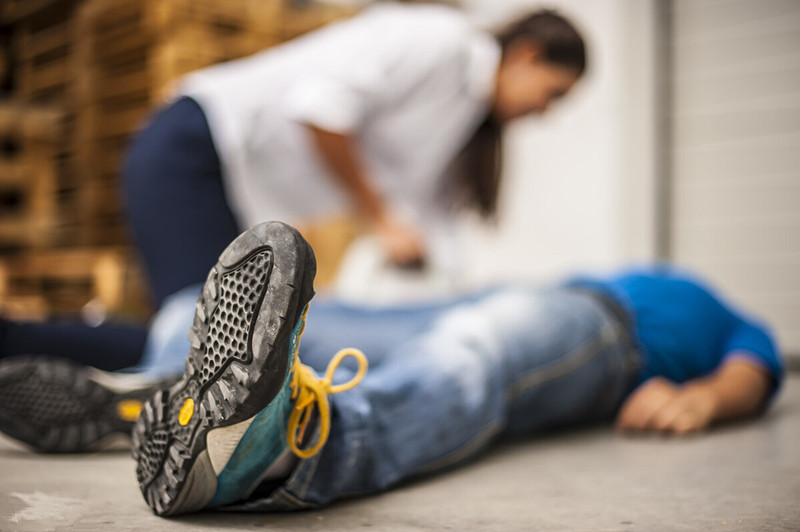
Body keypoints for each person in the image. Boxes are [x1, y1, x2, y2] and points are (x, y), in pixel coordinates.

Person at [0, 222, 783, 515]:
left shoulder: (719, 312)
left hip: (599, 334)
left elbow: (759, 364)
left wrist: (706, 397)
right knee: (183, 309)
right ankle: (167, 393)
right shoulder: (618, 268)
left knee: (474, 354)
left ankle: (286, 446)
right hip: (515, 296)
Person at [0, 4, 587, 371]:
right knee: (204, 349)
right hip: (196, 144)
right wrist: (378, 215)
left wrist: (458, 308)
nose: (545, 112)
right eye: (553, 93)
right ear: (527, 54)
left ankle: (47, 350)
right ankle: (16, 342)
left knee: (205, 345)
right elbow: (322, 110)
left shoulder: (462, 121)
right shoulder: (439, 41)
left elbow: (428, 226)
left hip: (232, 186)